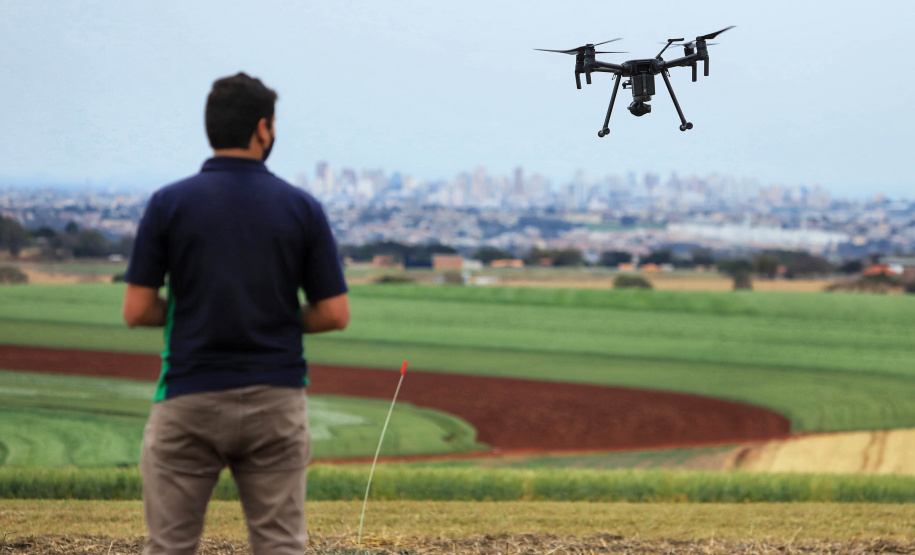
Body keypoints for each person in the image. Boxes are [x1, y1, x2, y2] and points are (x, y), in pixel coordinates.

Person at [122, 72, 350, 555]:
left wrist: (197, 311)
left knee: (170, 545)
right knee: (280, 545)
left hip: (188, 395)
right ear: (263, 129)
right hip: (277, 398)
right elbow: (334, 313)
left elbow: (137, 309)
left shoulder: (168, 204)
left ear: (211, 128)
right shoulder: (301, 207)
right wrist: (278, 316)